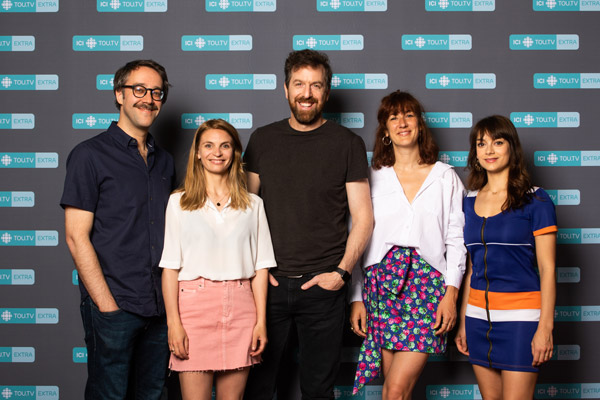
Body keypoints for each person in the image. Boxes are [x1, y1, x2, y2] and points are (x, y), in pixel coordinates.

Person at [242, 49, 374, 400]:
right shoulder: (262, 140)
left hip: (323, 287)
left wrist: (342, 274)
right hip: (267, 286)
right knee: (260, 387)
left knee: (318, 389)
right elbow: (243, 213)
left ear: (326, 93)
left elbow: (363, 218)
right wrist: (255, 271)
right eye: (299, 84)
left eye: (316, 85)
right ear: (285, 89)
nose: (307, 93)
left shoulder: (348, 144)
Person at [61, 59, 174, 399]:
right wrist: (106, 306)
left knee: (152, 394)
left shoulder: (164, 160)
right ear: (119, 95)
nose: (148, 99)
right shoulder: (89, 155)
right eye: (139, 90)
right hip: (114, 305)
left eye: (157, 92)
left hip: (159, 308)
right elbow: (75, 235)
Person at [349, 91, 466, 399]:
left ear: (419, 124)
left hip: (427, 286)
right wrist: (357, 296)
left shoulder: (445, 177)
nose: (402, 122)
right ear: (385, 131)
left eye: (409, 115)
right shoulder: (371, 177)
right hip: (382, 285)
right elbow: (359, 238)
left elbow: (456, 240)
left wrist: (451, 294)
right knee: (393, 389)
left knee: (396, 389)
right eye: (393, 117)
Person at [159, 119, 276, 400]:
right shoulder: (178, 202)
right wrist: (173, 324)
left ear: (235, 152)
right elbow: (169, 268)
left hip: (241, 307)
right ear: (197, 153)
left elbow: (261, 269)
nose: (217, 152)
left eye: (225, 146)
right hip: (193, 309)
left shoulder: (253, 205)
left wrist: (261, 322)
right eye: (208, 145)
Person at [455, 115, 557, 400]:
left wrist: (544, 328)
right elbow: (471, 267)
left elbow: (548, 269)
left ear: (512, 148)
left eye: (497, 142)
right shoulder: (469, 202)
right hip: (477, 319)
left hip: (521, 321)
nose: (489, 150)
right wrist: (464, 320)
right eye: (481, 143)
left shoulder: (536, 200)